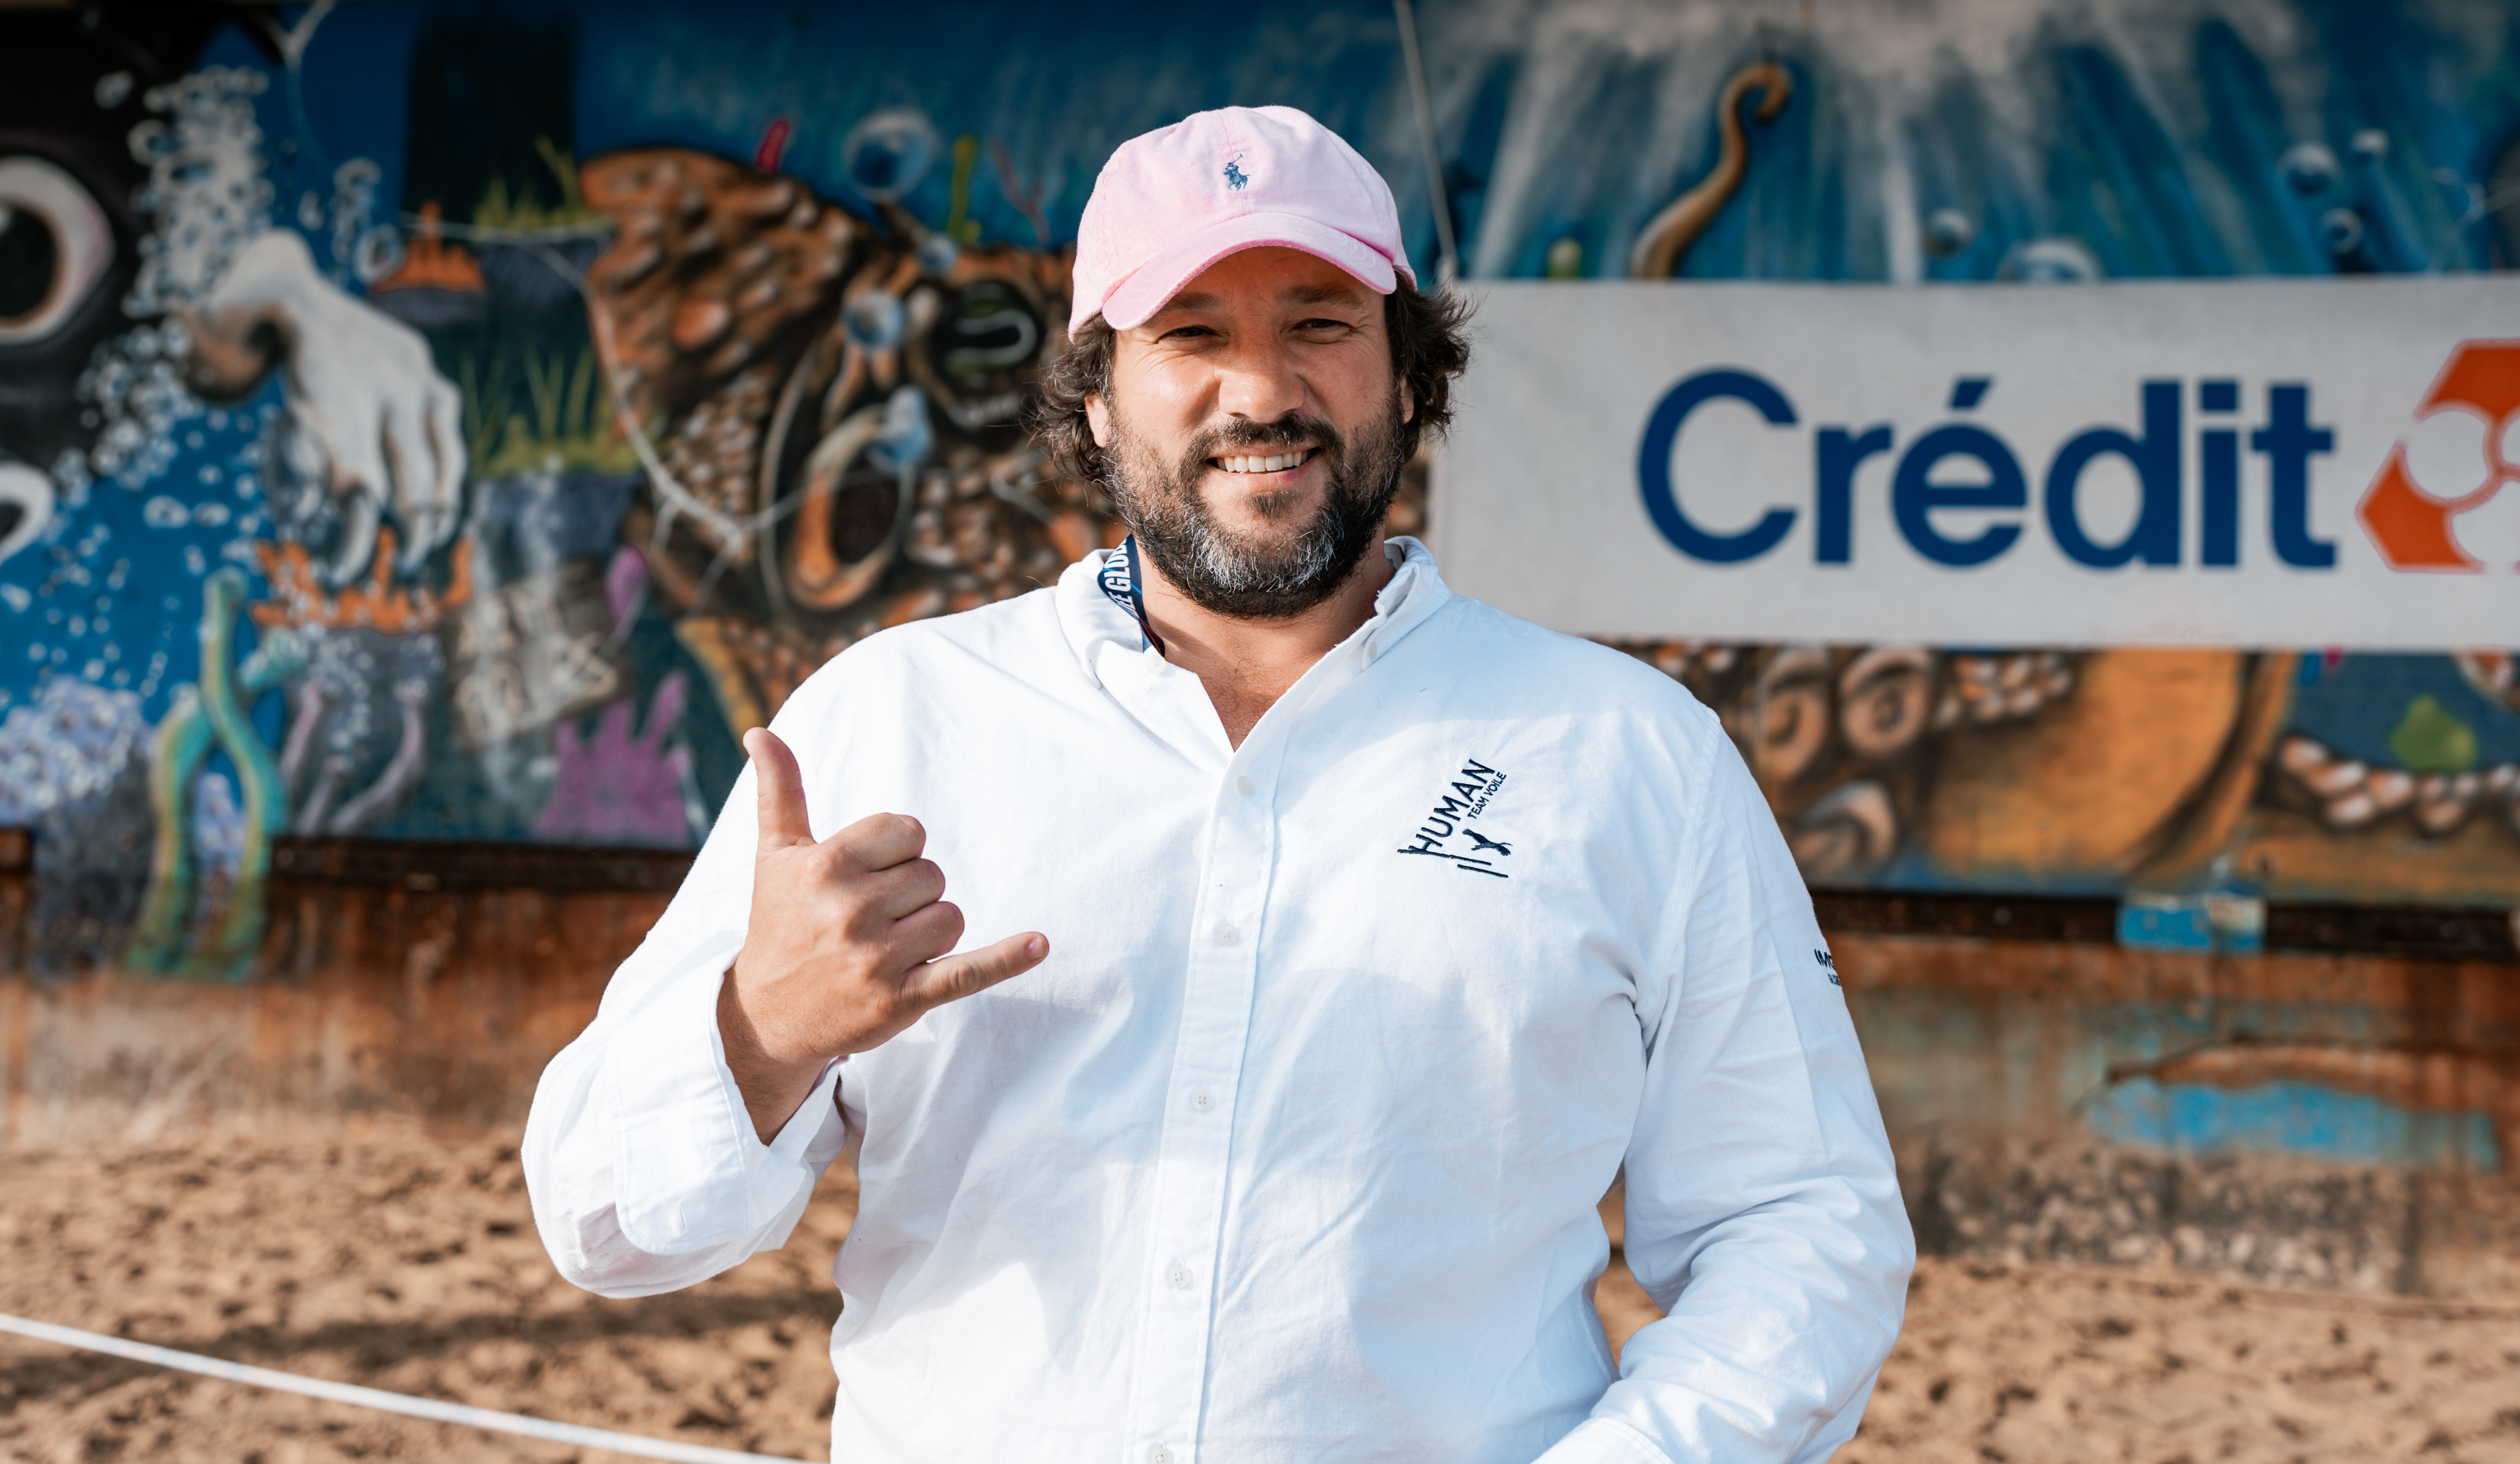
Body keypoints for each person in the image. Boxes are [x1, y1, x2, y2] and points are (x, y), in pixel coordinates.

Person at [523, 104, 1913, 1463]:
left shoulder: (1630, 751)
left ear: (1411, 374)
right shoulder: (893, 721)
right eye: (1192, 333)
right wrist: (760, 1035)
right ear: (1093, 393)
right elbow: (606, 1225)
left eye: (1318, 323)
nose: (1262, 391)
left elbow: (1799, 1221)